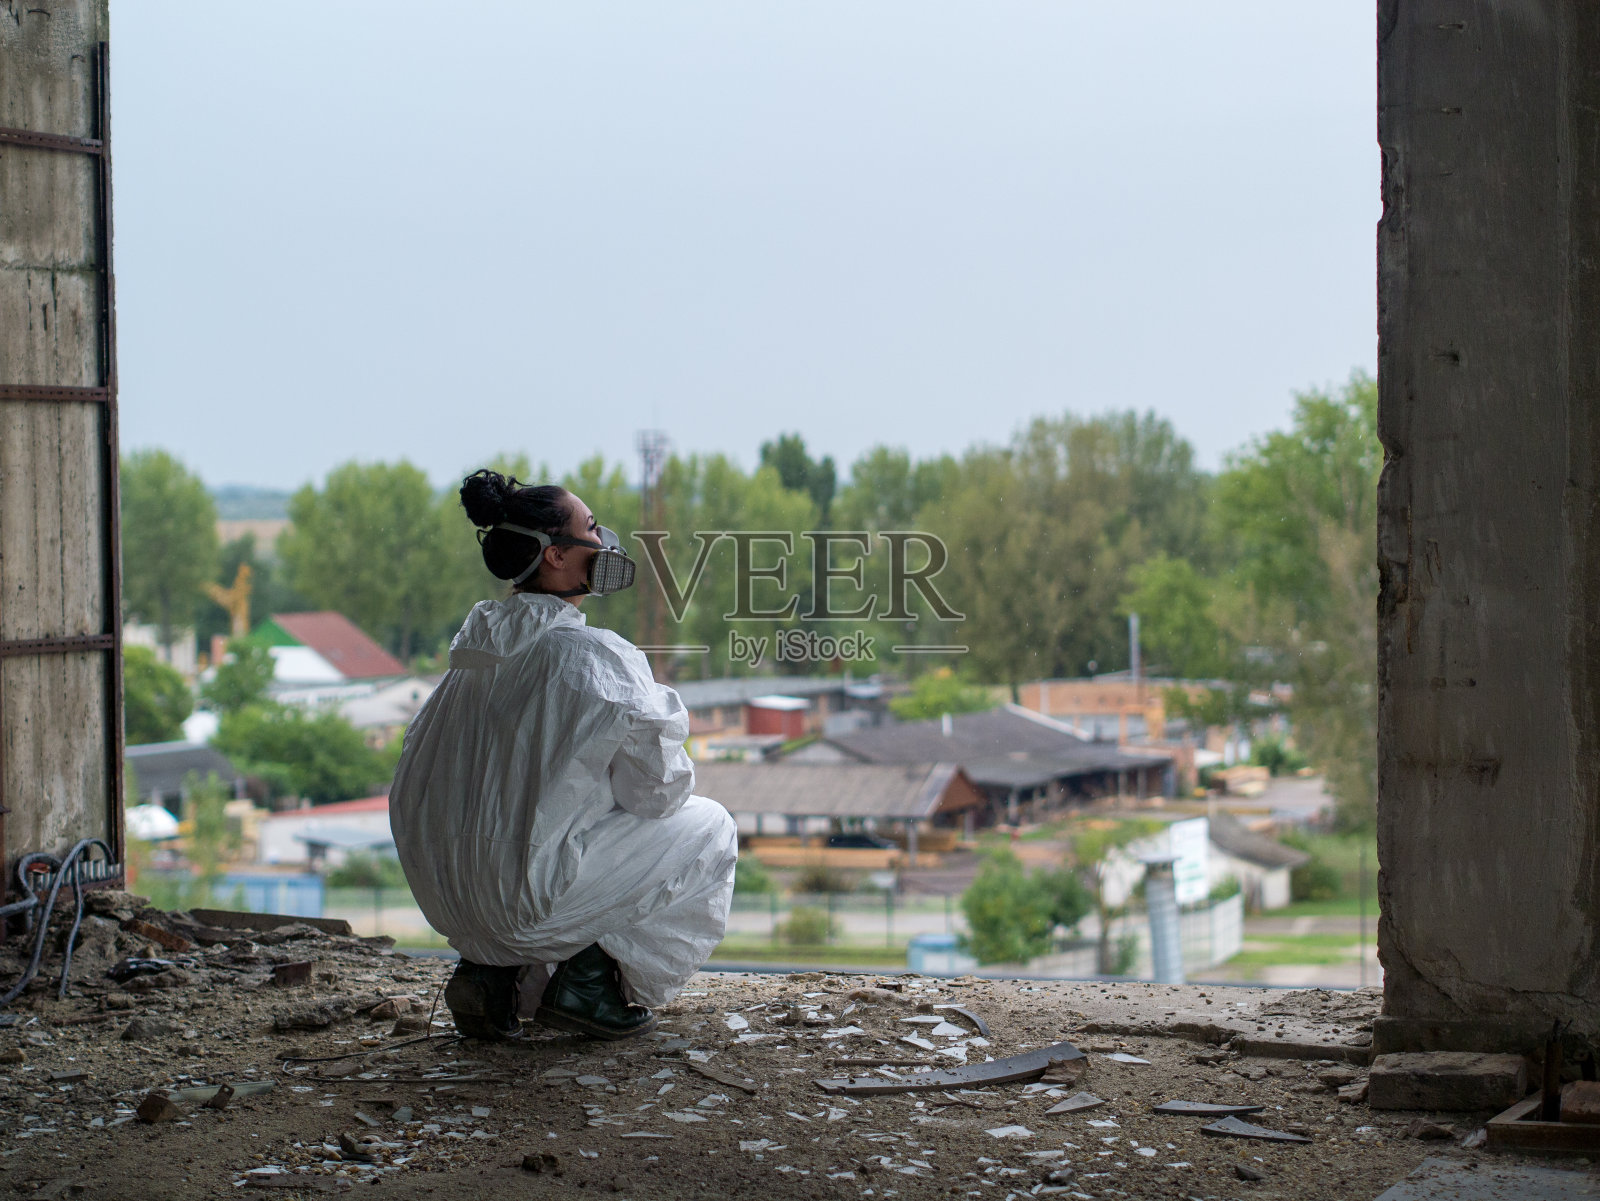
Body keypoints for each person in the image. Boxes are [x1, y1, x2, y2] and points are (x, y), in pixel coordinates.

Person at [389, 470, 738, 1040]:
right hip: (521, 908)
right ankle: (588, 987)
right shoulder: (592, 657)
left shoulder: (468, 663)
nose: (605, 542)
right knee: (709, 826)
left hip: (450, 907)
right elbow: (659, 794)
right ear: (555, 554)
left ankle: (488, 975)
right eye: (593, 528)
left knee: (548, 818)